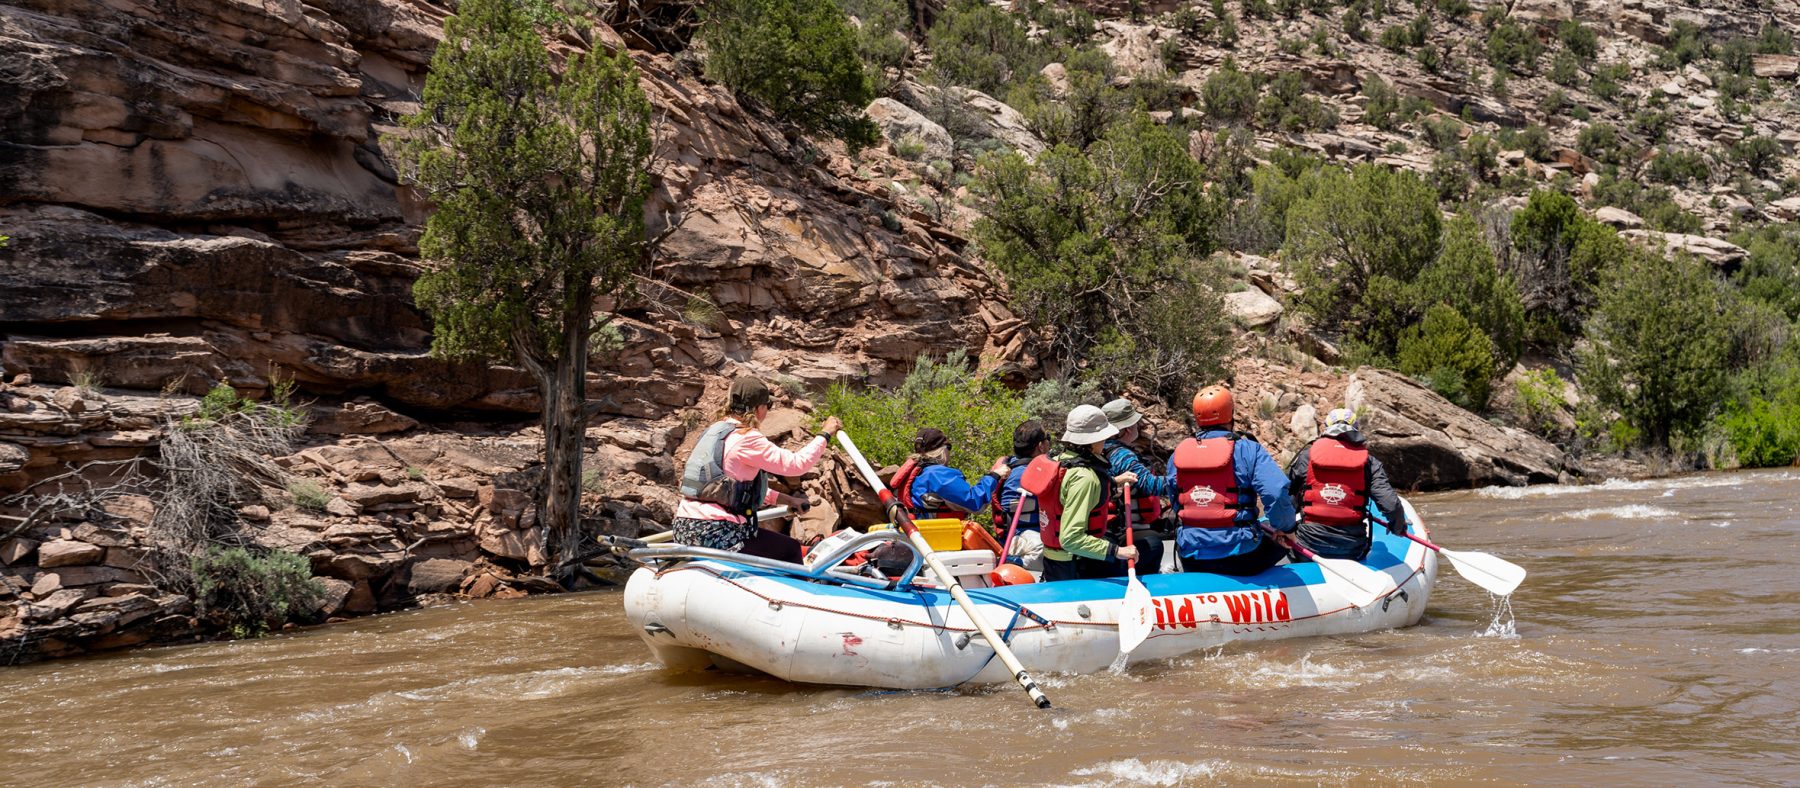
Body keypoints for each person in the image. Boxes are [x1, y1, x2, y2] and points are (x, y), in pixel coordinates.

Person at [674, 377, 839, 563]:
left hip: (684, 527)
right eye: (767, 405)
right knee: (790, 549)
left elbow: (732, 488)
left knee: (771, 544)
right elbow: (796, 464)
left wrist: (788, 500)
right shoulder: (748, 438)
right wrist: (825, 434)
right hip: (717, 532)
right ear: (759, 408)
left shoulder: (715, 431)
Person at [1164, 385, 1297, 576]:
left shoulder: (1178, 454)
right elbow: (1275, 492)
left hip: (1192, 556)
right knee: (1282, 542)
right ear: (1230, 414)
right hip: (1241, 556)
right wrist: (1286, 527)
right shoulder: (1248, 449)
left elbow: (1176, 499)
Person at [1037, 405, 1160, 582]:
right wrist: (1119, 551)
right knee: (1153, 545)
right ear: (1095, 439)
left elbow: (1067, 492)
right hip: (1078, 565)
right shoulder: (1085, 478)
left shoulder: (1058, 463)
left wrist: (1114, 481)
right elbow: (1071, 539)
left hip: (1054, 561)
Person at [1286, 408, 1409, 560]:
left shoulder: (1306, 457)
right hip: (1351, 549)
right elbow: (1390, 504)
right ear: (1356, 428)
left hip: (1308, 546)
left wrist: (1284, 528)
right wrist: (1398, 526)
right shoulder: (1369, 462)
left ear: (1326, 428)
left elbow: (1285, 495)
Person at [1100, 398, 1167, 574]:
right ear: (1128, 428)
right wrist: (1184, 483)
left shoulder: (1097, 450)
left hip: (1103, 527)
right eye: (1136, 424)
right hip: (1119, 530)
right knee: (1153, 545)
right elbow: (1150, 485)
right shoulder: (1122, 455)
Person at [891, 427, 1009, 521]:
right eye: (949, 447)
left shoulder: (917, 472)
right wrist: (994, 476)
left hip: (918, 533)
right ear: (943, 449)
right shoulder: (937, 474)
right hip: (935, 538)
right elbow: (974, 501)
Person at [992, 420, 1051, 570]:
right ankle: (1017, 565)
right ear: (1040, 446)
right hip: (1022, 538)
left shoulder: (1009, 466)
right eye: (1047, 439)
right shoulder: (1032, 473)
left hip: (1008, 537)